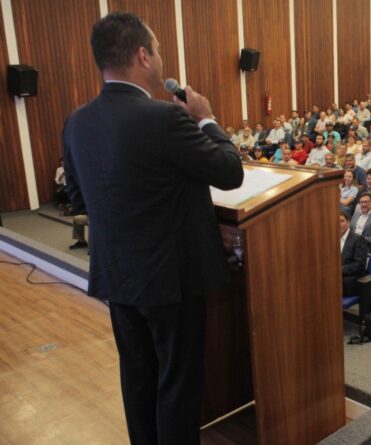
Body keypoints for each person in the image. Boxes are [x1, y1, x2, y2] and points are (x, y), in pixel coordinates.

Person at [62, 13, 244, 444]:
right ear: (142, 55)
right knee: (177, 386)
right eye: (158, 50)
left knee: (138, 379)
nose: (160, 59)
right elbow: (229, 171)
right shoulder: (165, 119)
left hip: (118, 278)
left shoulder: (77, 123)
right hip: (172, 281)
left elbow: (80, 200)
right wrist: (206, 118)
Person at [340, 211, 368, 296]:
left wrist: (340, 270)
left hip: (349, 277)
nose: (339, 224)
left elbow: (359, 265)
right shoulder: (332, 238)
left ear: (348, 222)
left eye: (341, 221)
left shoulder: (358, 239)